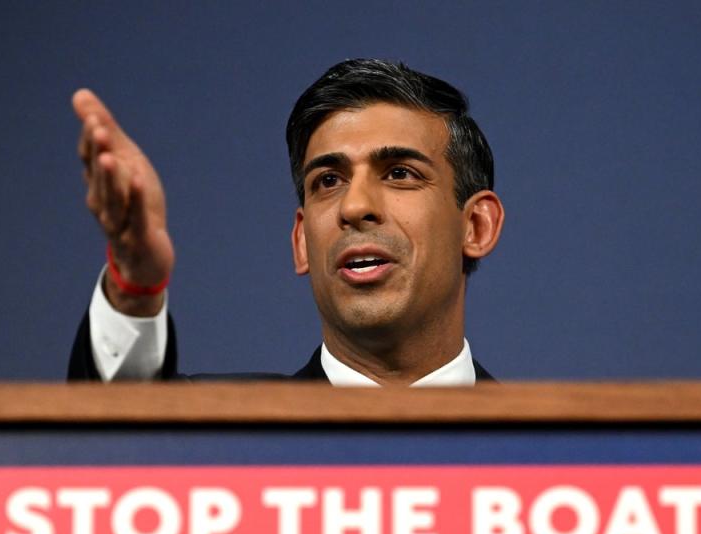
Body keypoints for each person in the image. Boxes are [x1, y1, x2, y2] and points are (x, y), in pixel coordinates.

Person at [68, 59, 505, 386]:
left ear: (477, 227)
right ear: (301, 241)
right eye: (328, 181)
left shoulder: (559, 454)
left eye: (398, 173)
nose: (353, 207)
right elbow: (111, 447)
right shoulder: (216, 438)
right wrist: (135, 286)